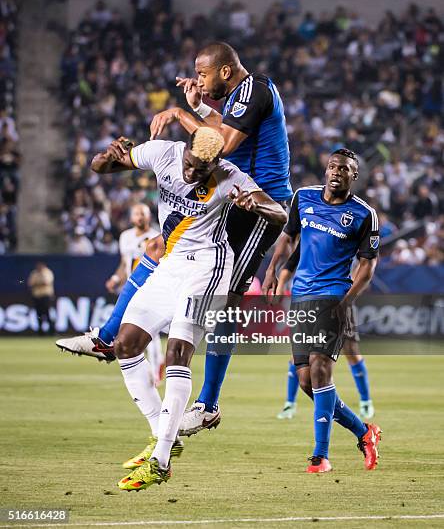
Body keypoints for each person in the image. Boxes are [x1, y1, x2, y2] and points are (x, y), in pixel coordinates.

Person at [55, 42, 292, 438]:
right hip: (226, 195)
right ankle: (106, 336)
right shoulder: (238, 97)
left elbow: (221, 146)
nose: (197, 80)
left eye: (202, 74)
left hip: (256, 203)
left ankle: (208, 404)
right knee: (158, 246)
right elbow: (217, 137)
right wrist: (200, 108)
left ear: (226, 72)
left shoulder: (255, 90)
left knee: (226, 301)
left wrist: (182, 113)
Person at [87, 128, 287, 490]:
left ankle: (160, 461)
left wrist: (253, 204)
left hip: (208, 268)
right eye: (191, 165)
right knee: (125, 345)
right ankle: (163, 436)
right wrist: (107, 155)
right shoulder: (162, 152)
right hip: (172, 264)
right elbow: (100, 166)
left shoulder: (229, 176)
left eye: (202, 169)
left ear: (216, 163)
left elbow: (280, 214)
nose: (193, 174)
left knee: (178, 353)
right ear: (186, 152)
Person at [263, 149, 381, 473]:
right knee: (305, 381)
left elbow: (367, 268)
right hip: (301, 296)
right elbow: (287, 238)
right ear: (325, 169)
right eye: (332, 166)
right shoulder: (303, 198)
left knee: (320, 370)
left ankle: (320, 454)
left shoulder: (363, 214)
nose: (336, 172)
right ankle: (364, 432)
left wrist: (346, 304)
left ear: (353, 176)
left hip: (333, 296)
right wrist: (273, 270)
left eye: (344, 169)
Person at [57, 204, 165, 383]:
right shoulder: (125, 237)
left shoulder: (155, 237)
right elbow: (125, 263)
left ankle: (154, 371)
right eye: (136, 213)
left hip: (151, 287)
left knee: (148, 330)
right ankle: (156, 363)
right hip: (133, 286)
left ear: (148, 216)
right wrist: (116, 278)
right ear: (131, 217)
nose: (140, 217)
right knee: (142, 328)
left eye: (143, 214)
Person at [275, 246, 375, 421]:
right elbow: (291, 262)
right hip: (307, 299)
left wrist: (351, 287)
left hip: (338, 298)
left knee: (350, 351)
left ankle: (365, 402)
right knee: (297, 356)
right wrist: (281, 284)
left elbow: (367, 260)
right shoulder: (310, 236)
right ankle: (289, 404)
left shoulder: (346, 228)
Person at [27, 262, 55, 335]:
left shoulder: (47, 272)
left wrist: (37, 283)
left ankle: (52, 331)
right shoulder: (34, 273)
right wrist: (38, 283)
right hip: (37, 297)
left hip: (46, 296)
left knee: (47, 313)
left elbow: (46, 282)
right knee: (39, 314)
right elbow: (30, 283)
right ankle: (40, 332)